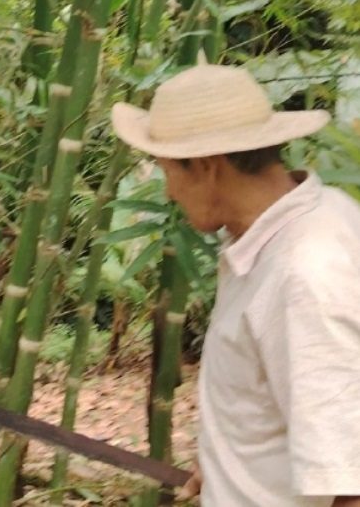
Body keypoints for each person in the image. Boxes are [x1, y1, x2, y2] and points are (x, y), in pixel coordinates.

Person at [111, 62, 360, 506]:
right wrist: (228, 464)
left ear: (206, 166)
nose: (169, 192)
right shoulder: (301, 223)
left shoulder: (304, 272)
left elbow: (348, 483)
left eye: (168, 171)